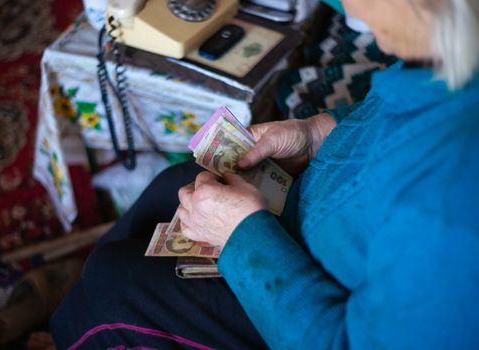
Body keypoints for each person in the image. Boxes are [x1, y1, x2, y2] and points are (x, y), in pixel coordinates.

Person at [51, 0, 479, 349]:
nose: (352, 13)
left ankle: (76, 330)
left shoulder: (451, 211)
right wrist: (317, 134)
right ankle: (72, 314)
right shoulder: (451, 56)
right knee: (176, 182)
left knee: (115, 286)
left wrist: (243, 237)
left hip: (314, 311)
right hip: (336, 224)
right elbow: (401, 115)